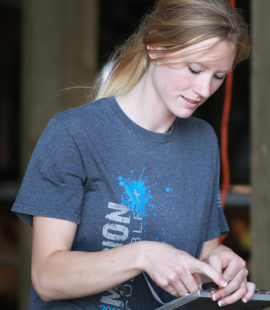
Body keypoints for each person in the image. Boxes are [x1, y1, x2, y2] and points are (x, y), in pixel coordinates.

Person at [11, 0, 254, 308]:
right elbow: (47, 277)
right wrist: (143, 255)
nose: (204, 89)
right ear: (155, 46)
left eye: (219, 76)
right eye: (194, 69)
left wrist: (220, 262)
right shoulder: (73, 133)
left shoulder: (202, 141)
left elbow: (201, 258)